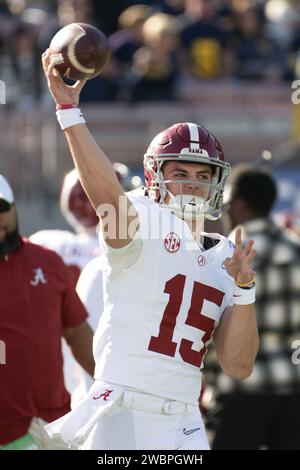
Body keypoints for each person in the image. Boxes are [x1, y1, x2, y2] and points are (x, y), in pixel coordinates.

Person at [41, 50, 259, 450]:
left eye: (201, 175)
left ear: (217, 183)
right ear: (156, 177)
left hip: (183, 416)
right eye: (180, 173)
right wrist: (70, 113)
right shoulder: (141, 218)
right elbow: (106, 193)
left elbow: (238, 365)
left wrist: (245, 290)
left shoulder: (227, 254)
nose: (192, 184)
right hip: (120, 408)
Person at [205, 165, 300, 450]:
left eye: (229, 203)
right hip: (294, 387)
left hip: (241, 388)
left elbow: (215, 325)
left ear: (242, 205)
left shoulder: (227, 256)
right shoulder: (295, 249)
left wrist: (208, 377)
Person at [0, 174, 95, 450]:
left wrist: (109, 383)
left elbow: (76, 330)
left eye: (2, 209)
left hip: (56, 423)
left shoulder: (48, 260)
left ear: (14, 208)